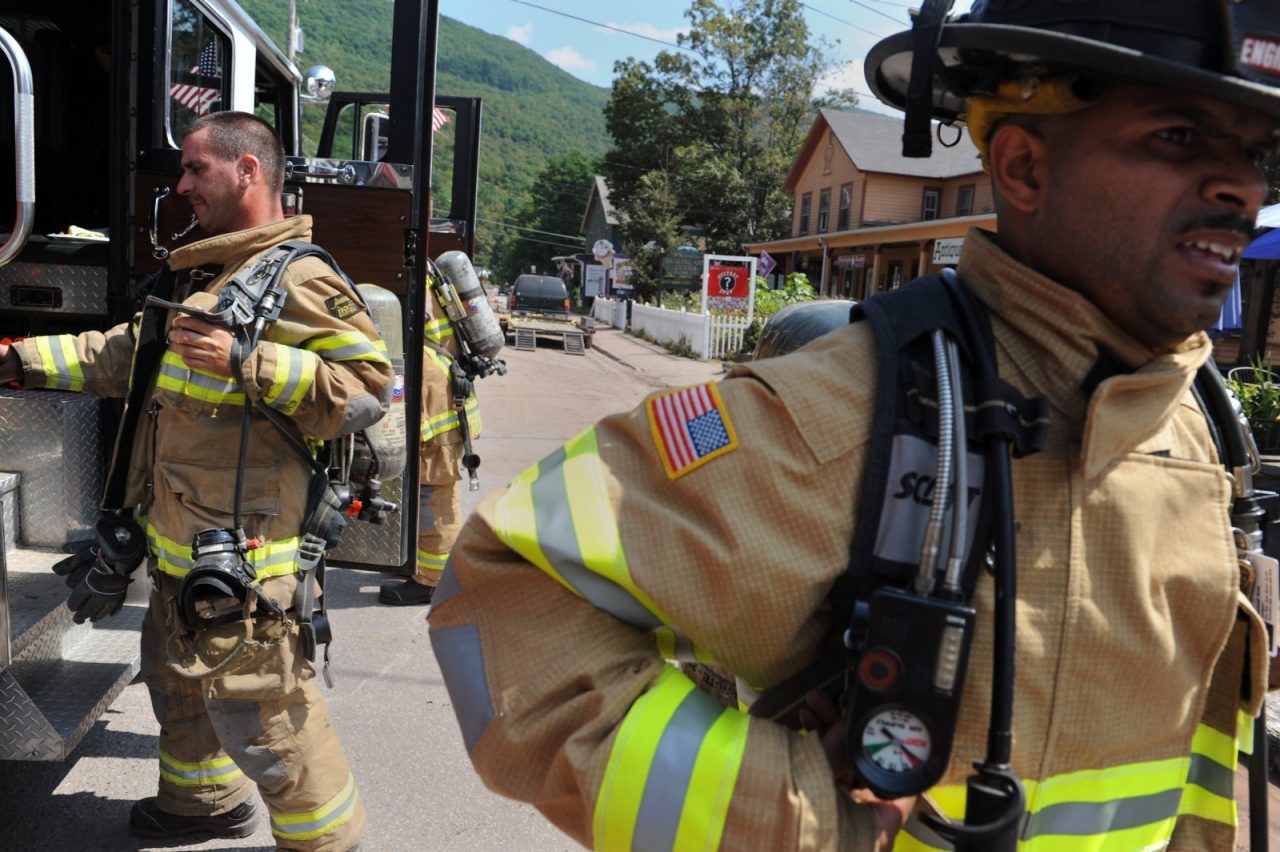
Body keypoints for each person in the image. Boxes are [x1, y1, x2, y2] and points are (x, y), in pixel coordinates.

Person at [428, 2, 1280, 849]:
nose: (1241, 187)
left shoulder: (1199, 426)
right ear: (1022, 166)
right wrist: (792, 815)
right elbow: (504, 598)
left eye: (1254, 152)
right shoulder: (850, 412)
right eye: (1177, 138)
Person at [0, 111, 388, 851]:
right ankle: (202, 803)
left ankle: (327, 844)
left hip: (251, 555)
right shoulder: (207, 270)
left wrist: (250, 362)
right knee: (180, 687)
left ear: (248, 171)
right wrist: (22, 361)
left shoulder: (301, 278)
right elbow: (128, 355)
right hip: (183, 541)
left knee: (270, 718)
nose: (179, 186)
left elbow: (368, 390)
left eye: (194, 169)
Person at [376, 281, 481, 606]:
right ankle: (421, 567)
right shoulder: (433, 276)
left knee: (436, 499)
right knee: (428, 496)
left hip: (435, 394)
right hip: (437, 383)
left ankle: (432, 583)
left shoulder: (421, 277)